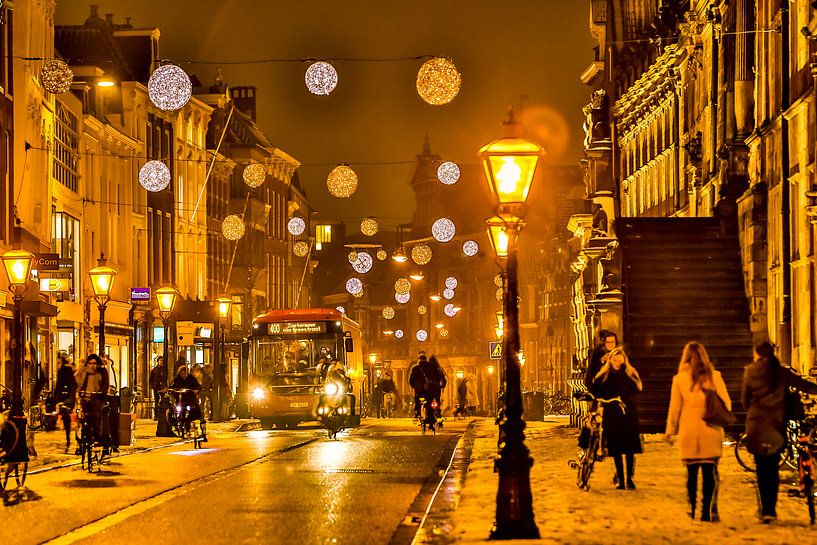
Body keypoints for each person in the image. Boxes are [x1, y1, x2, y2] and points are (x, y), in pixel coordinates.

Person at [742, 341, 817, 523]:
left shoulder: (750, 371)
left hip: (757, 426)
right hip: (776, 425)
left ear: (757, 354)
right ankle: (772, 509)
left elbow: (745, 401)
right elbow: (803, 385)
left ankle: (766, 510)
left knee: (762, 469)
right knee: (773, 469)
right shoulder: (782, 372)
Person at [664, 341, 731, 522]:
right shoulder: (715, 376)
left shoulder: (679, 379)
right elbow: (727, 402)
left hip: (689, 431)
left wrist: (670, 430)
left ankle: (692, 508)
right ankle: (706, 511)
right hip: (711, 429)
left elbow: (675, 408)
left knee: (691, 473)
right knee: (710, 472)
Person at [591, 346, 642, 489]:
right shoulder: (605, 375)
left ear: (624, 360)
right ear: (611, 360)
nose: (617, 361)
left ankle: (630, 478)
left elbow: (635, 389)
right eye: (614, 358)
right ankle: (620, 478)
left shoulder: (629, 373)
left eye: (620, 358)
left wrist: (625, 372)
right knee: (617, 448)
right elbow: (595, 389)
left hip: (627, 413)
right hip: (612, 413)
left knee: (630, 448)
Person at [75, 354, 111, 455]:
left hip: (97, 399)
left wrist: (101, 393)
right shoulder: (84, 371)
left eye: (94, 363)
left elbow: (105, 384)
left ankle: (97, 437)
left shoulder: (102, 371)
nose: (92, 366)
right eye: (90, 363)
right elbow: (77, 380)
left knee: (97, 417)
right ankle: (83, 440)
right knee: (84, 419)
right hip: (85, 399)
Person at [168, 363, 207, 442]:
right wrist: (172, 391)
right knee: (177, 411)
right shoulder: (177, 379)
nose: (183, 375)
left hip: (190, 399)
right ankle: (178, 424)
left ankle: (198, 430)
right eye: (181, 373)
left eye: (184, 373)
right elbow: (172, 387)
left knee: (195, 412)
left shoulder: (191, 378)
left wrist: (196, 390)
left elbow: (198, 386)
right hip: (180, 400)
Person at [409, 353, 447, 419]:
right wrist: (441, 386)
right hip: (431, 388)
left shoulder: (415, 368)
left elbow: (411, 380)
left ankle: (417, 411)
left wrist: (414, 386)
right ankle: (436, 411)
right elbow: (438, 377)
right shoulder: (432, 367)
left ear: (419, 360)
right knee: (433, 399)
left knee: (417, 398)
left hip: (419, 388)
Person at [54, 355, 76, 452]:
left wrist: (70, 399)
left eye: (58, 363)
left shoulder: (66, 371)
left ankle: (68, 438)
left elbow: (72, 385)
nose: (57, 365)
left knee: (66, 414)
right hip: (60, 397)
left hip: (67, 397)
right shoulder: (57, 372)